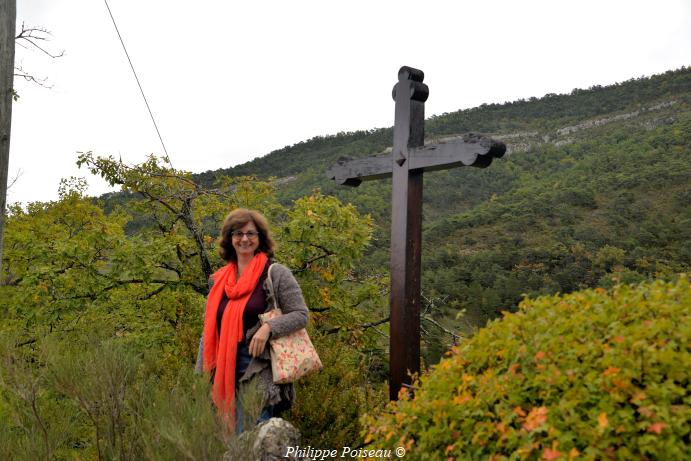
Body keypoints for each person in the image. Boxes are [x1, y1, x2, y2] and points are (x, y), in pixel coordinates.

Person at [195, 208, 308, 432]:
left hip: (256, 366)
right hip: (222, 368)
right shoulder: (218, 281)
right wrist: (200, 374)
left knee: (253, 435)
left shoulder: (275, 273)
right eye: (238, 233)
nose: (244, 239)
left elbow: (300, 314)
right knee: (229, 438)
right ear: (230, 239)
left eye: (250, 233)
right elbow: (210, 330)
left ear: (260, 238)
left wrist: (268, 327)